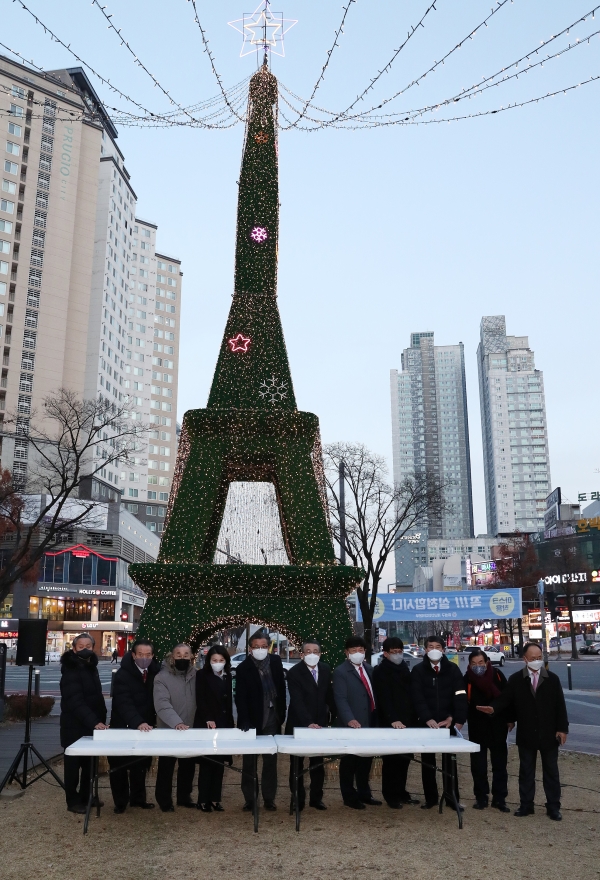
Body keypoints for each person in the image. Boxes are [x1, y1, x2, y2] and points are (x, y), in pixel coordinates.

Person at [477, 641, 568, 821]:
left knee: (551, 771)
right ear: (525, 659)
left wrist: (562, 729)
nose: (536, 661)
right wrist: (493, 709)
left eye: (539, 658)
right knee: (526, 771)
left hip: (549, 734)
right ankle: (526, 805)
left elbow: (560, 706)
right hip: (527, 734)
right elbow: (506, 700)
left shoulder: (552, 679)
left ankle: (553, 806)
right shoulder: (517, 679)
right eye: (533, 658)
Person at [411, 635, 467, 811]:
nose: (434, 649)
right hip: (426, 723)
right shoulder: (418, 670)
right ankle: (431, 798)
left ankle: (452, 798)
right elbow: (417, 697)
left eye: (438, 646)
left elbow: (460, 695)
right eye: (430, 646)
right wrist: (427, 718)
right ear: (425, 650)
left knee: (449, 762)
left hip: (447, 723)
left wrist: (455, 719)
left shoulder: (453, 669)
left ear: (443, 649)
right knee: (428, 762)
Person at [235, 630, 286, 811]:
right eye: (256, 647)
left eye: (264, 647)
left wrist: (282, 713)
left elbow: (280, 686)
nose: (260, 650)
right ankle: (250, 798)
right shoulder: (243, 668)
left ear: (268, 647)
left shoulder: (275, 662)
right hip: (252, 720)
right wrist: (244, 720)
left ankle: (269, 798)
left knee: (270, 761)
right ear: (250, 648)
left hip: (272, 717)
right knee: (250, 762)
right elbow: (240, 697)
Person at [108, 638, 161, 813]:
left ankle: (138, 799)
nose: (144, 658)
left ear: (153, 655)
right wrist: (137, 722)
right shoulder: (123, 674)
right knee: (119, 766)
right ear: (133, 655)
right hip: (123, 725)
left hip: (146, 727)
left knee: (140, 764)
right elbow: (123, 703)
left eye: (148, 655)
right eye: (140, 654)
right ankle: (120, 802)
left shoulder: (156, 673)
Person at [59, 633, 107, 814]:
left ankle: (87, 796)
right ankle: (73, 801)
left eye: (89, 645)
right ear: (74, 648)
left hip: (92, 724)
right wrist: (95, 721)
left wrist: (100, 719)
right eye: (81, 646)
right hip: (74, 725)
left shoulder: (90, 667)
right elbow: (75, 701)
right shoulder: (71, 670)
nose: (85, 649)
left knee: (90, 765)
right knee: (73, 766)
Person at [285, 639, 334, 811]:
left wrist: (332, 717)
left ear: (320, 654)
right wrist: (308, 722)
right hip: (299, 724)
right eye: (308, 651)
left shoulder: (326, 670)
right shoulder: (294, 673)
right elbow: (297, 701)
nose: (312, 654)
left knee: (317, 763)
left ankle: (316, 798)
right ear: (302, 654)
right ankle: (297, 799)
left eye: (315, 651)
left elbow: (329, 696)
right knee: (296, 764)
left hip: (320, 724)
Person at [332, 635, 380, 809]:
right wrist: (349, 718)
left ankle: (364, 793)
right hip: (351, 723)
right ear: (347, 653)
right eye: (353, 651)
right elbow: (340, 698)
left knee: (366, 760)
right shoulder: (341, 671)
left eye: (360, 650)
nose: (357, 653)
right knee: (349, 761)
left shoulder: (369, 669)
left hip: (369, 721)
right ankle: (349, 796)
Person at [372, 637, 420, 809]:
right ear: (385, 654)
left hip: (407, 721)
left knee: (405, 759)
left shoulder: (404, 668)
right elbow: (383, 698)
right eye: (394, 652)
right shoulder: (381, 671)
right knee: (392, 760)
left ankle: (401, 791)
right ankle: (390, 794)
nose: (398, 655)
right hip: (391, 722)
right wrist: (392, 718)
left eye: (400, 651)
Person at [464, 648, 513, 812]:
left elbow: (507, 698)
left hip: (498, 726)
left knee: (500, 764)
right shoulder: (467, 679)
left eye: (481, 663)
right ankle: (481, 797)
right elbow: (461, 701)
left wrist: (510, 719)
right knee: (478, 766)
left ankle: (499, 799)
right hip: (477, 727)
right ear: (469, 665)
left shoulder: (497, 675)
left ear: (487, 663)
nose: (478, 666)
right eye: (474, 663)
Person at [153, 643, 197, 811]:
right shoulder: (161, 677)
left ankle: (184, 796)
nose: (182, 657)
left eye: (186, 654)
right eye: (178, 654)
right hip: (169, 729)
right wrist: (176, 723)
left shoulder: (196, 676)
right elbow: (162, 704)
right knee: (166, 766)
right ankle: (164, 800)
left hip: (191, 729)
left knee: (188, 765)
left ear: (192, 656)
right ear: (172, 657)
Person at [194, 644, 234, 812]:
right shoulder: (202, 675)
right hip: (207, 723)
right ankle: (203, 799)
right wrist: (208, 718)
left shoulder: (228, 676)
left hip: (224, 723)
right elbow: (200, 699)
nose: (218, 663)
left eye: (221, 660)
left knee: (219, 764)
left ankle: (215, 799)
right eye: (214, 660)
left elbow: (229, 702)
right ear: (209, 661)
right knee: (207, 763)